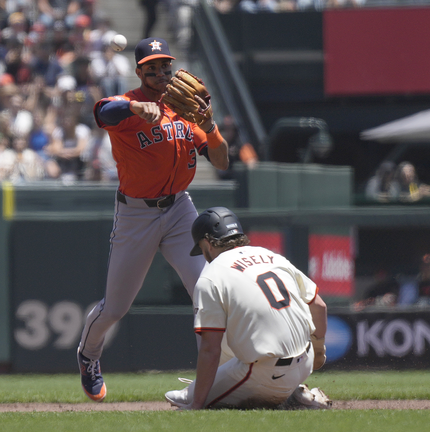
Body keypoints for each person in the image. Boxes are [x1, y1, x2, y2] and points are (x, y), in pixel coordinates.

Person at [76, 37, 229, 402]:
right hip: (135, 214)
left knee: (206, 293)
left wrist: (211, 125)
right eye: (152, 67)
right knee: (115, 307)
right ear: (139, 72)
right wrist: (135, 110)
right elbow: (102, 113)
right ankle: (88, 356)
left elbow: (222, 162)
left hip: (179, 210)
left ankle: (217, 378)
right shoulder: (127, 105)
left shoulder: (186, 111)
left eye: (165, 66)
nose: (161, 72)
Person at [164, 207, 330, 410]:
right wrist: (319, 351)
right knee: (232, 333)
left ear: (207, 242)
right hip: (306, 361)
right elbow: (319, 305)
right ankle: (293, 391)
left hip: (264, 372)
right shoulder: (271, 256)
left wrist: (197, 404)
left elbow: (209, 349)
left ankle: (292, 398)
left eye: (201, 247)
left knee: (184, 399)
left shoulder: (211, 276)